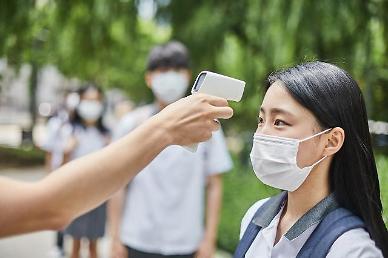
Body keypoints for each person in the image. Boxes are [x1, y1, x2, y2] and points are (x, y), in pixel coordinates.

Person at [0, 93, 233, 238]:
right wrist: (163, 129)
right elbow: (50, 206)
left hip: (183, 238)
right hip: (132, 232)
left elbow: (214, 182)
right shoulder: (128, 123)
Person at [235, 61, 387, 258]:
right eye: (261, 120)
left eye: (279, 122)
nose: (263, 134)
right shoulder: (255, 217)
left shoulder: (352, 249)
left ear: (331, 141)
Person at [109, 41, 232, 258]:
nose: (170, 76)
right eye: (163, 70)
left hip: (187, 241)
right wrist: (115, 237)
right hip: (137, 238)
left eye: (176, 70)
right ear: (149, 78)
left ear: (187, 76)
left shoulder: (208, 125)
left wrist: (209, 239)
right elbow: (117, 183)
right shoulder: (130, 124)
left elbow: (214, 184)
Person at [62, 85, 110, 258]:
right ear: (80, 102)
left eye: (95, 100)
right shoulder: (70, 131)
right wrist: (67, 151)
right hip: (76, 193)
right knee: (74, 245)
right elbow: (61, 169)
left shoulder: (106, 134)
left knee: (93, 246)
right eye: (88, 100)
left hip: (99, 195)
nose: (92, 105)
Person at [41, 90, 79, 257]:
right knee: (59, 211)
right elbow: (49, 150)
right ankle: (59, 245)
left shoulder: (78, 126)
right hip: (59, 173)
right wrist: (49, 175)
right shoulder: (57, 123)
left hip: (75, 175)